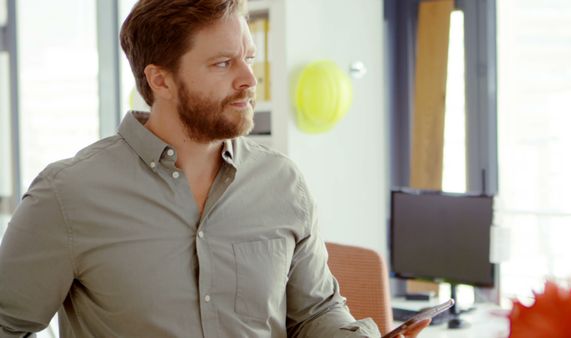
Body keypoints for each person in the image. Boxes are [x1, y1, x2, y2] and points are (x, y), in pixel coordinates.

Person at [0, 0, 429, 337]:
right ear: (160, 80)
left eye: (248, 57)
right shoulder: (68, 195)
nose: (249, 78)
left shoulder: (282, 182)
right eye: (223, 63)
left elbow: (315, 312)